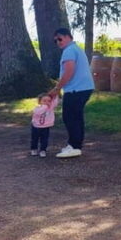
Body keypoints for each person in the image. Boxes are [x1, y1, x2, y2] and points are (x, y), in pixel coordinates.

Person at [49, 28, 94, 158]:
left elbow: (69, 72)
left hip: (76, 89)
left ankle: (74, 146)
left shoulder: (69, 51)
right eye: (55, 40)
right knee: (77, 117)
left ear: (68, 37)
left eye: (60, 38)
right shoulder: (76, 49)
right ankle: (75, 145)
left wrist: (57, 89)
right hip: (83, 88)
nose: (58, 42)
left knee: (70, 117)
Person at [30, 93, 59, 158]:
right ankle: (34, 149)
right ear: (40, 101)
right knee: (35, 139)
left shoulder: (50, 108)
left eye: (49, 101)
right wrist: (45, 106)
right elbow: (39, 112)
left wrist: (56, 95)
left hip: (46, 127)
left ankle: (43, 150)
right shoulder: (37, 109)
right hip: (36, 127)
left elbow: (55, 103)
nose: (47, 102)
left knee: (44, 139)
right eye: (44, 101)